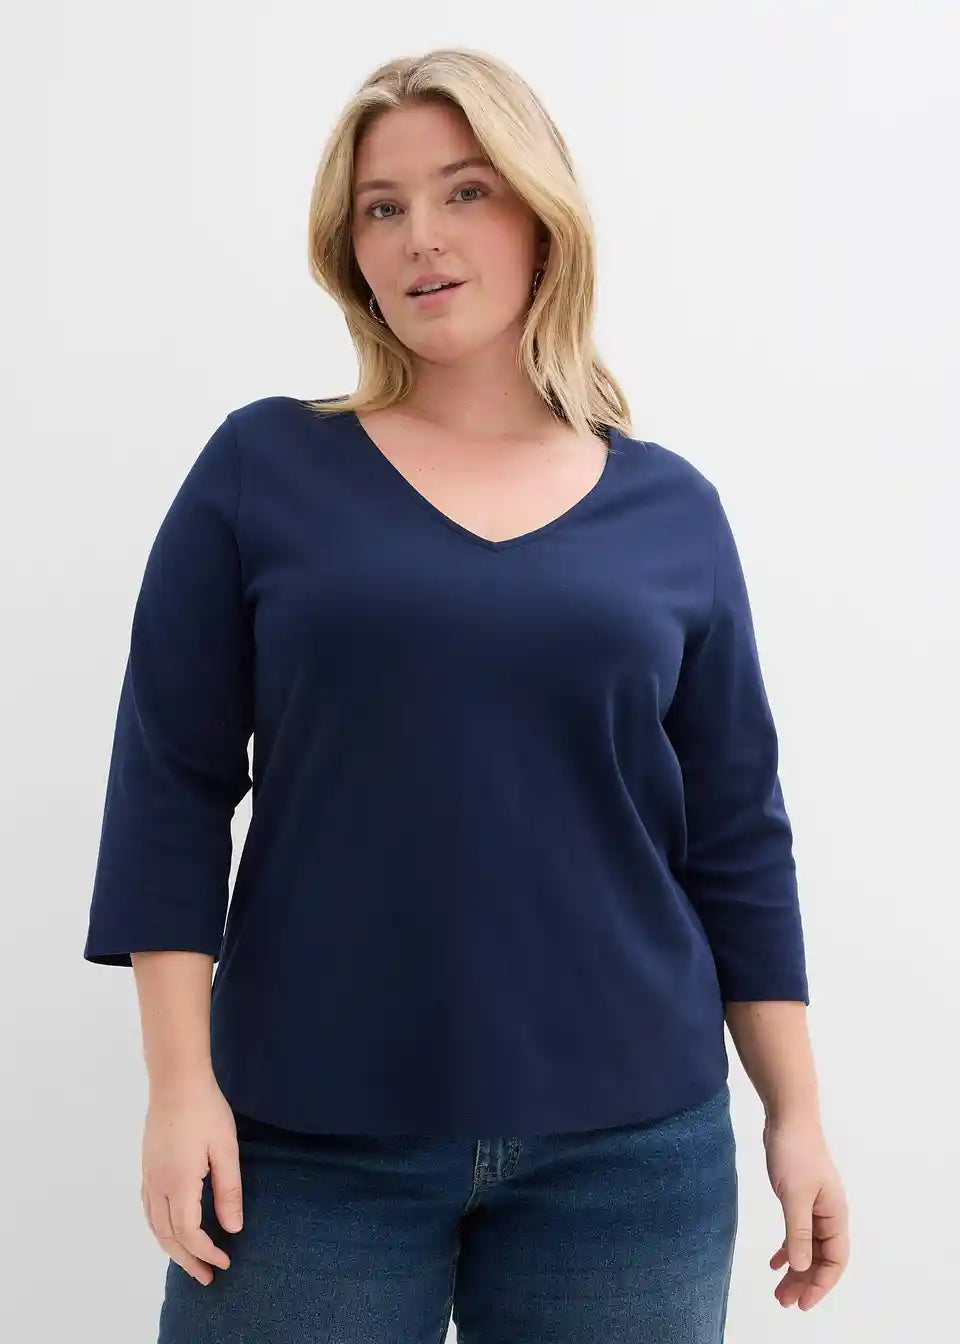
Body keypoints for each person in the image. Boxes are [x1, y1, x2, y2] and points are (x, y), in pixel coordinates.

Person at [83, 45, 850, 1343]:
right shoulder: (262, 469)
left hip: (629, 1155)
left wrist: (799, 1113)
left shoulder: (672, 509)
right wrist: (177, 1086)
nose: (420, 237)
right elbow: (170, 786)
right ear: (349, 248)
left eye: (465, 192)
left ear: (543, 215)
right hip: (305, 1141)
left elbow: (736, 832)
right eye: (381, 207)